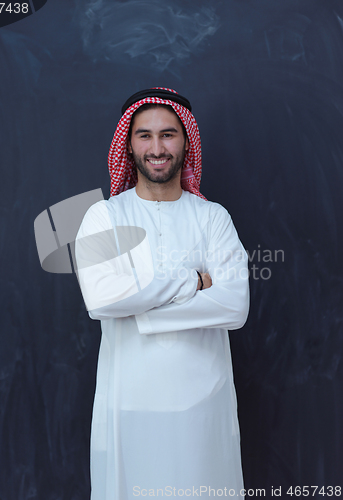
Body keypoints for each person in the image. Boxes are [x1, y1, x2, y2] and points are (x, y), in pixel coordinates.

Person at [75, 87, 250, 499]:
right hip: (128, 407)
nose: (157, 147)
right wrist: (192, 282)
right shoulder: (103, 216)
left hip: (203, 409)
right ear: (129, 143)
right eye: (144, 135)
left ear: (186, 141)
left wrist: (141, 308)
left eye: (168, 134)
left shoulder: (213, 218)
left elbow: (235, 305)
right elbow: (101, 299)